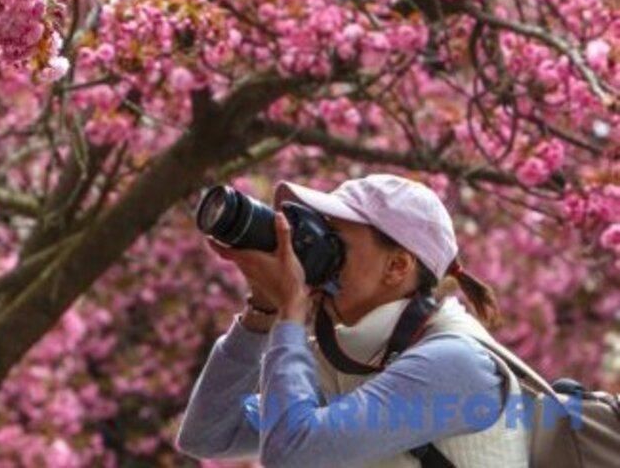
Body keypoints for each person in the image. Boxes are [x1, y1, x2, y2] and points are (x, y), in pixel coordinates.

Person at [175, 174, 530, 467]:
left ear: (397, 267)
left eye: (334, 241)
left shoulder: (455, 361)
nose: (310, 250)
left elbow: (294, 456)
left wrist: (291, 311)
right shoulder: (354, 354)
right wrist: (263, 315)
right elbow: (208, 436)